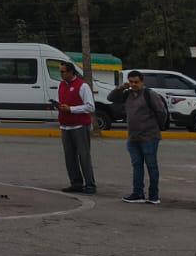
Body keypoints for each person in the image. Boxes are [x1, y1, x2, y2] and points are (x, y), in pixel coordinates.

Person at [108, 70, 168, 204]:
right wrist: (121, 87)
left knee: (151, 166)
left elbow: (161, 112)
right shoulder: (127, 94)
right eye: (131, 82)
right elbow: (111, 98)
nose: (133, 84)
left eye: (136, 82)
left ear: (142, 82)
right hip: (133, 138)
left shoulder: (149, 94)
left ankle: (153, 196)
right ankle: (138, 194)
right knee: (137, 166)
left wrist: (157, 127)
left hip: (149, 137)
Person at [55, 59, 98, 196]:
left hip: (80, 126)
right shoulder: (61, 85)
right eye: (60, 72)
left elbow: (90, 106)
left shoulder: (82, 86)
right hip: (66, 126)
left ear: (71, 72)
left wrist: (71, 109)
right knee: (69, 157)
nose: (61, 74)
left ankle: (90, 184)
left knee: (83, 156)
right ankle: (76, 183)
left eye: (63, 72)